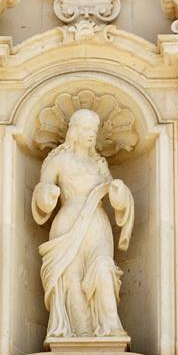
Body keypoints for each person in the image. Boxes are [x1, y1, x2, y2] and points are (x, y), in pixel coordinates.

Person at [31, 109, 134, 341]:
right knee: (71, 278)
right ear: (74, 131)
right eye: (87, 129)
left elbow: (115, 194)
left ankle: (110, 329)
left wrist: (119, 192)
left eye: (94, 130)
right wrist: (47, 194)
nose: (91, 135)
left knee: (103, 268)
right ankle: (80, 334)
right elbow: (41, 189)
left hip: (97, 224)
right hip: (68, 222)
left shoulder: (99, 164)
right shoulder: (58, 160)